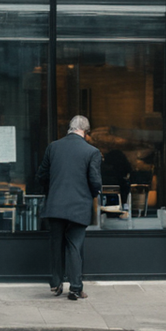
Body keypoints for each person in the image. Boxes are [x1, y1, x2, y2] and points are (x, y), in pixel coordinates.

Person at [37, 115, 102, 301]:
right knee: (74, 245)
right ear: (86, 132)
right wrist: (93, 194)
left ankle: (56, 284)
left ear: (70, 128)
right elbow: (95, 181)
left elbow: (41, 174)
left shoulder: (53, 147)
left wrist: (52, 189)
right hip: (79, 207)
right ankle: (75, 288)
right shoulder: (92, 151)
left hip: (55, 205)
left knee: (56, 245)